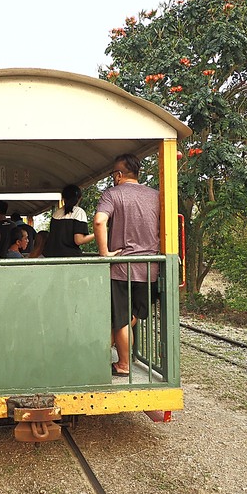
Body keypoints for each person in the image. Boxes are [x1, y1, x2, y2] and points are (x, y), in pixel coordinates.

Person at [93, 153, 160, 377]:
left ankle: (123, 364)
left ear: (119, 174)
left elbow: (100, 221)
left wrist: (104, 254)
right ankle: (108, 348)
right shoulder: (156, 195)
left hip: (121, 267)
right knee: (133, 314)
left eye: (113, 174)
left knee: (120, 317)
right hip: (150, 266)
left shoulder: (112, 194)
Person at [43, 184, 95, 257]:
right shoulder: (79, 212)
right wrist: (96, 234)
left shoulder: (56, 213)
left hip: (51, 256)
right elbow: (79, 240)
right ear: (79, 198)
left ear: (63, 198)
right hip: (70, 257)